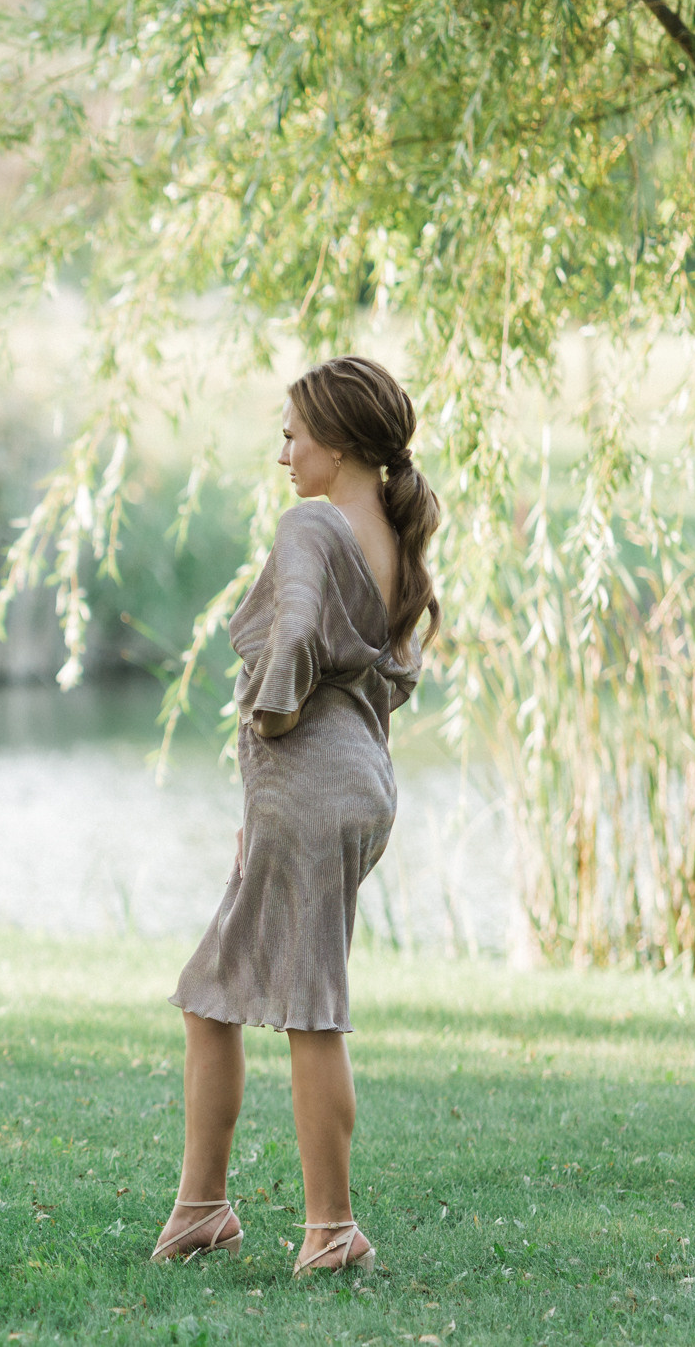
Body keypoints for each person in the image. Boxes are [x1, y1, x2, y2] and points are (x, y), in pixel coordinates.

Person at [150, 356, 440, 1276]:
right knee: (214, 991)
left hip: (312, 784)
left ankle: (332, 1228)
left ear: (339, 444)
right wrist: (270, 797)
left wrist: (272, 725)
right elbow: (389, 673)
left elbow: (295, 640)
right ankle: (201, 1209)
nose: (282, 455)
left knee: (311, 1008)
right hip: (349, 784)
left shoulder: (314, 524)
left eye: (292, 436)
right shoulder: (388, 532)